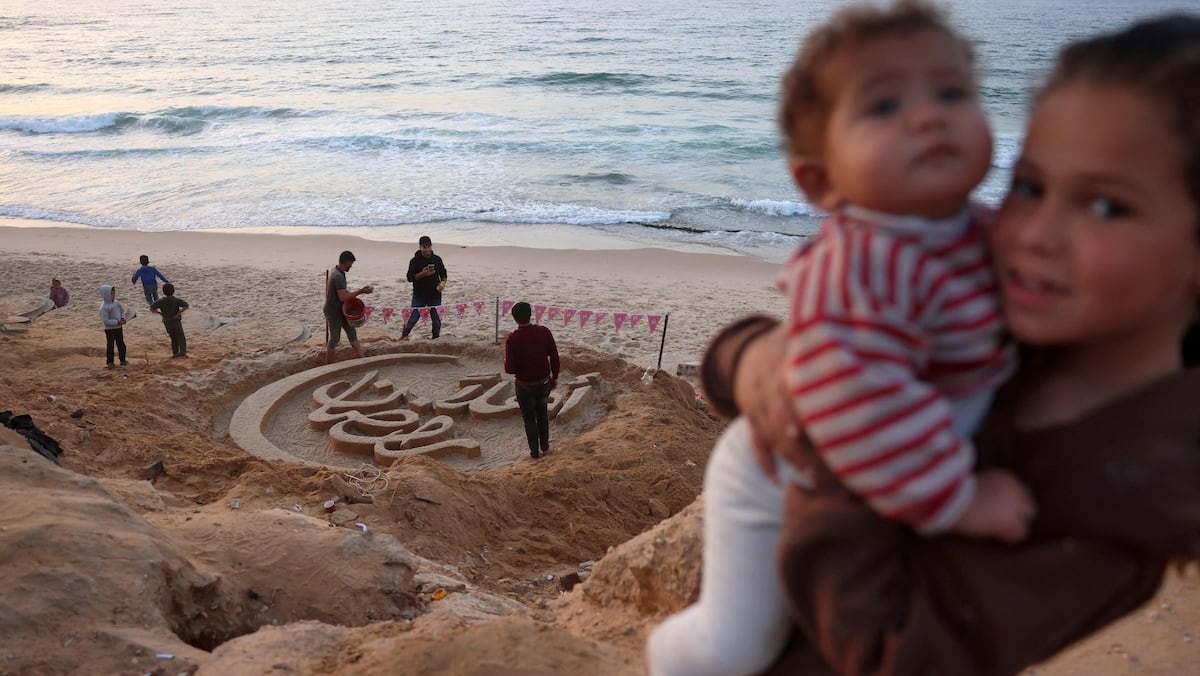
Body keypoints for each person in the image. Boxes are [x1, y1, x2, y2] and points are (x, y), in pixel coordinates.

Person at [705, 14, 1200, 675]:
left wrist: (837, 459)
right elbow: (838, 314)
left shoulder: (1132, 489)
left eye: (1106, 207)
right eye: (1028, 186)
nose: (1032, 234)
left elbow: (892, 654)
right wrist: (751, 359)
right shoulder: (1022, 310)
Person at [647, 3, 1031, 673]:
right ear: (821, 181)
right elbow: (863, 402)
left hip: (880, 469)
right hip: (776, 475)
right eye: (883, 106)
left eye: (952, 92)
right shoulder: (862, 265)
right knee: (734, 648)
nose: (929, 115)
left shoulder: (982, 228)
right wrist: (960, 501)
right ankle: (663, 656)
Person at [503, 301, 560, 459]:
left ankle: (534, 453)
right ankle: (545, 448)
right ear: (531, 315)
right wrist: (555, 377)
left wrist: (506, 361)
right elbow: (554, 356)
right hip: (543, 382)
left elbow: (510, 369)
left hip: (525, 385)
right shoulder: (544, 331)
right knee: (542, 414)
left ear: (515, 319)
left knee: (529, 419)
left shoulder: (512, 339)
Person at [324, 250, 373, 364]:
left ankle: (362, 360)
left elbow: (342, 295)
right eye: (351, 263)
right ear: (347, 262)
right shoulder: (338, 276)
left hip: (342, 309)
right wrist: (361, 291)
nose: (351, 266)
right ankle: (328, 365)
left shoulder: (337, 271)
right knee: (335, 339)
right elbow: (343, 297)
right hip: (333, 311)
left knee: (352, 333)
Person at [400, 235, 448, 340]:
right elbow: (409, 278)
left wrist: (443, 283)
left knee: (436, 319)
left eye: (428, 247)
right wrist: (423, 274)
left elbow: (443, 273)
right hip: (419, 294)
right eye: (424, 247)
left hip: (435, 294)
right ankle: (404, 336)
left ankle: (435, 339)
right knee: (413, 316)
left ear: (431, 247)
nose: (426, 250)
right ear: (420, 247)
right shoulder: (415, 261)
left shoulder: (437, 259)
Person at [150, 282, 189, 358]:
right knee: (181, 338)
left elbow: (152, 308)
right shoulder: (176, 300)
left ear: (164, 292)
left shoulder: (161, 301)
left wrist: (161, 314)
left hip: (167, 322)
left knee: (173, 338)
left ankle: (175, 353)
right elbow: (186, 305)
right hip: (175, 321)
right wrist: (178, 313)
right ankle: (182, 354)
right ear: (173, 291)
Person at [98, 285, 129, 368]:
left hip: (119, 328)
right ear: (106, 295)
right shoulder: (104, 307)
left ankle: (123, 360)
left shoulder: (116, 302)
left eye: (114, 293)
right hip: (110, 330)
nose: (113, 295)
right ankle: (110, 362)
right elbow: (105, 320)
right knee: (110, 346)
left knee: (121, 344)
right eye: (112, 294)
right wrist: (117, 322)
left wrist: (123, 318)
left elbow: (122, 310)